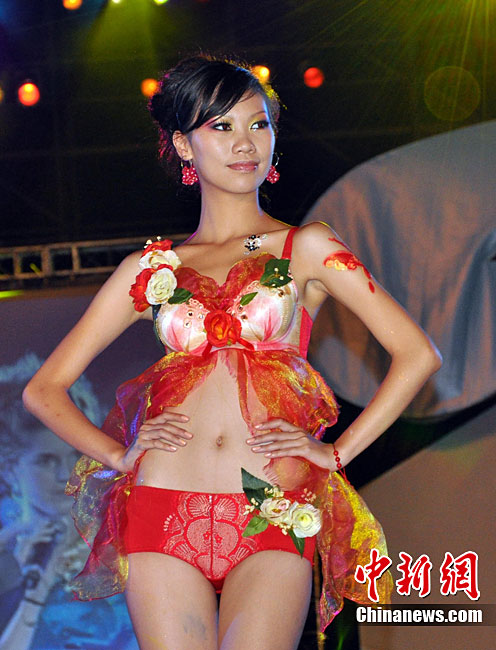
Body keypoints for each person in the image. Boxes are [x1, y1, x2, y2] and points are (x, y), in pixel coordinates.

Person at [23, 54, 442, 650]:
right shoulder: (153, 267)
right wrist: (119, 454)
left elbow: (417, 354)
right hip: (162, 505)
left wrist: (336, 452)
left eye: (258, 124)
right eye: (221, 126)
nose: (245, 143)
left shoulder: (306, 247)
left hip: (270, 506)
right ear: (183, 146)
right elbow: (43, 389)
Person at [0, 353, 138, 650]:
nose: (65, 473)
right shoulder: (7, 554)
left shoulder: (124, 533)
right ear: (9, 468)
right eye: (46, 461)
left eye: (75, 455)